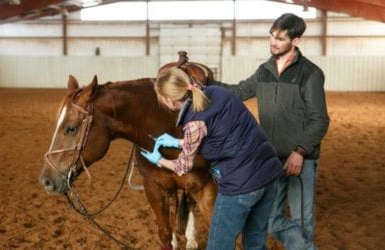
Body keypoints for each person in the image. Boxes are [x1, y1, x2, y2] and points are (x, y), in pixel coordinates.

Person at [207, 13, 330, 250]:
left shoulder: (311, 74)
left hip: (300, 160)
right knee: (272, 221)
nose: (273, 42)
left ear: (296, 41)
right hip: (269, 160)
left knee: (302, 223)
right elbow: (238, 91)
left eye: (280, 38)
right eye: (272, 36)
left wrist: (300, 152)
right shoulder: (264, 70)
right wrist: (206, 82)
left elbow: (320, 120)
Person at [141, 67, 283, 250]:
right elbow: (222, 135)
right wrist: (178, 142)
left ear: (169, 100)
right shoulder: (218, 93)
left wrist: (158, 160)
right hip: (269, 174)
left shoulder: (193, 122)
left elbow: (183, 167)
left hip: (240, 184)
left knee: (218, 245)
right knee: (255, 243)